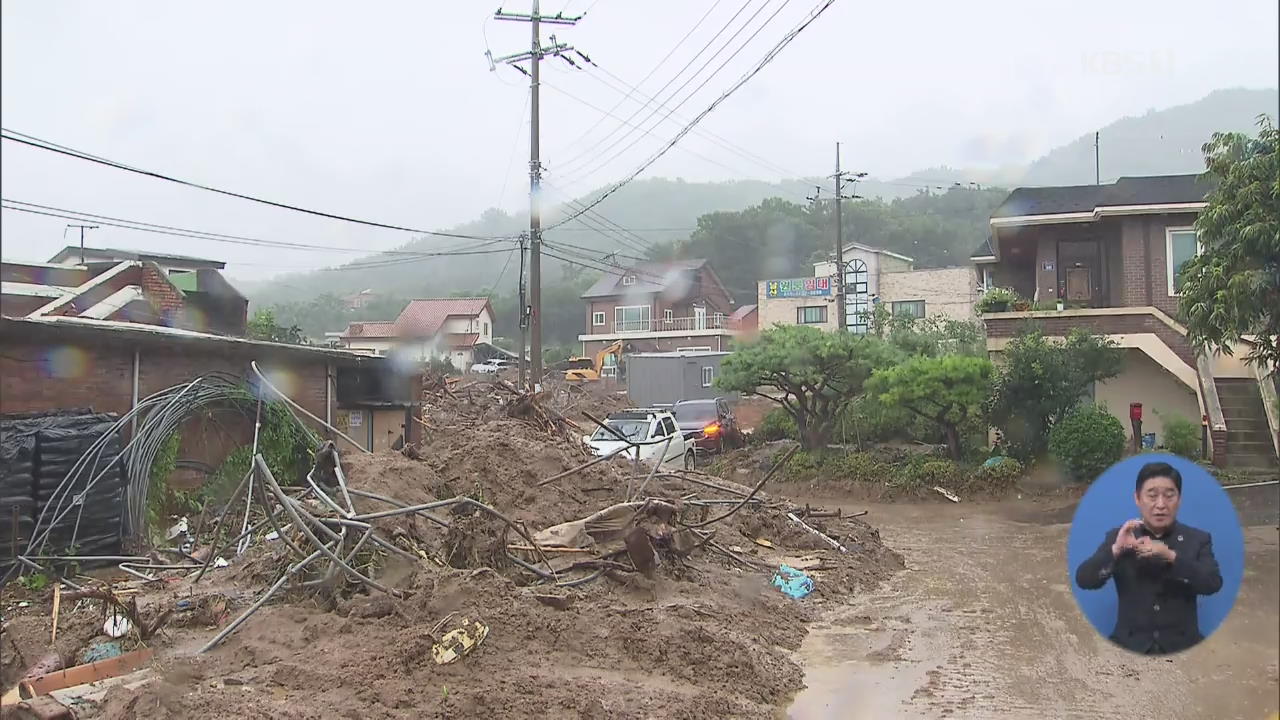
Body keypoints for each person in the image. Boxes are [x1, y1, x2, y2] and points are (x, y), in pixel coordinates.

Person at [1075, 461, 1223, 654]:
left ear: (1179, 499)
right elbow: (1084, 580)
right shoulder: (1120, 536)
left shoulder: (1198, 539)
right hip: (1127, 646)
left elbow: (1212, 583)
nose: (1160, 505)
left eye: (1169, 496)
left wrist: (1171, 557)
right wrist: (1116, 550)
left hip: (1184, 648)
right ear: (1137, 498)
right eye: (1152, 496)